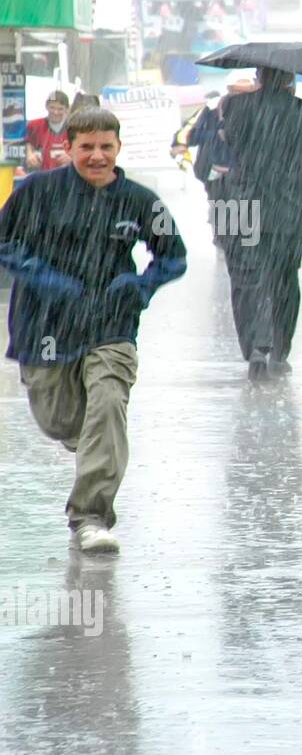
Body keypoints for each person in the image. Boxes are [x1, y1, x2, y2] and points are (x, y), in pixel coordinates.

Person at [0, 107, 187, 553]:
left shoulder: (142, 201)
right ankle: (86, 444)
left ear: (119, 148)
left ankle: (91, 516)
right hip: (44, 325)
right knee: (61, 420)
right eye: (87, 147)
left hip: (111, 324)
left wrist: (139, 285)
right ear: (69, 148)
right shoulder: (36, 191)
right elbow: (4, 243)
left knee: (106, 406)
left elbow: (174, 255)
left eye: (106, 147)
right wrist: (48, 280)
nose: (97, 156)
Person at [220, 66, 302, 381]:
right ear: (290, 81)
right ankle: (280, 348)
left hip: (242, 202)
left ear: (259, 78)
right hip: (290, 207)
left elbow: (231, 147)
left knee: (245, 276)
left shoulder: (237, 106)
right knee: (284, 278)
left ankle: (255, 346)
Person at [25, 91, 71, 172]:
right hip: (42, 175)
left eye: (60, 109)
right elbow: (28, 143)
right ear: (46, 106)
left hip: (67, 176)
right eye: (52, 107)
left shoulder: (74, 128)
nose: (55, 112)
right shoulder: (35, 125)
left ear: (67, 109)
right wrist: (30, 154)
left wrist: (72, 158)